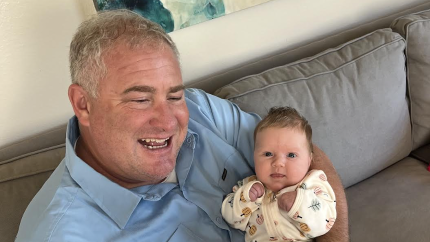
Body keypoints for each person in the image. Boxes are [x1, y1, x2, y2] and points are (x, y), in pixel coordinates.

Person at [16, 9, 348, 242]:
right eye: (140, 99)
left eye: (173, 95)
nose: (167, 121)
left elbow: (300, 151)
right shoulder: (62, 233)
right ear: (83, 104)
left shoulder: (200, 108)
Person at [222, 107, 336, 241]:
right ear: (254, 158)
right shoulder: (249, 185)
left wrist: (298, 202)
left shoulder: (313, 183)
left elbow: (324, 223)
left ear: (309, 160)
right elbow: (231, 219)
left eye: (291, 155)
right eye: (268, 154)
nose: (278, 163)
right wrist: (246, 197)